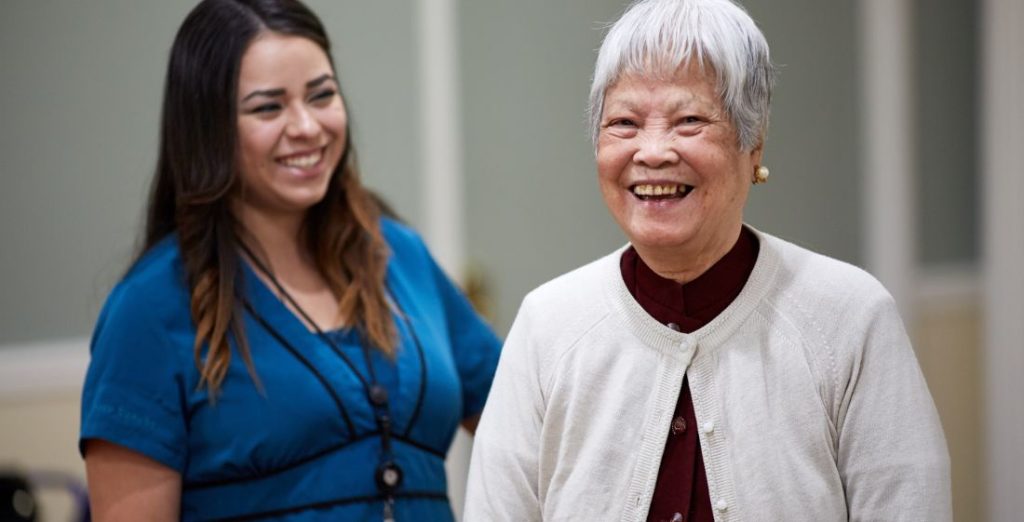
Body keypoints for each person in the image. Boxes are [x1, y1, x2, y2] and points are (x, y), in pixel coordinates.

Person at [463, 0, 951, 520]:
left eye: (689, 120)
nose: (652, 152)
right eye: (624, 122)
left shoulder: (849, 317)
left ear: (753, 143)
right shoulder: (549, 326)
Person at [79, 1, 501, 520]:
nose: (306, 126)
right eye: (267, 107)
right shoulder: (149, 309)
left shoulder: (396, 254)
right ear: (207, 129)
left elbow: (526, 420)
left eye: (322, 95)